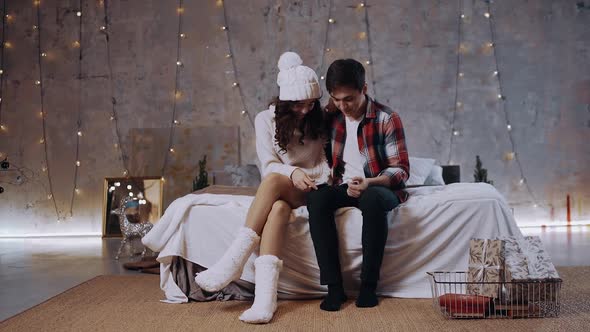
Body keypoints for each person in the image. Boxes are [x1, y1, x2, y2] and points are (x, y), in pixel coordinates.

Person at [195, 51, 329, 324]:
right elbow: (269, 165)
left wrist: (312, 177)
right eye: (299, 104)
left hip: (317, 189)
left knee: (272, 182)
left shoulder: (320, 118)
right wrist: (293, 172)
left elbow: (327, 162)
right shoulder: (264, 120)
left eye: (311, 103)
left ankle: (233, 262)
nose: (305, 110)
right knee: (278, 208)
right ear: (284, 100)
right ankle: (265, 300)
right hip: (284, 188)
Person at [306, 59, 410, 311]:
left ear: (364, 88)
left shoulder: (387, 118)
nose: (343, 106)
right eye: (336, 99)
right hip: (345, 186)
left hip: (379, 186)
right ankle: (334, 288)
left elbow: (401, 170)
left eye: (349, 99)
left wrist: (369, 183)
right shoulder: (333, 116)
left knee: (372, 200)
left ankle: (368, 286)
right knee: (317, 199)